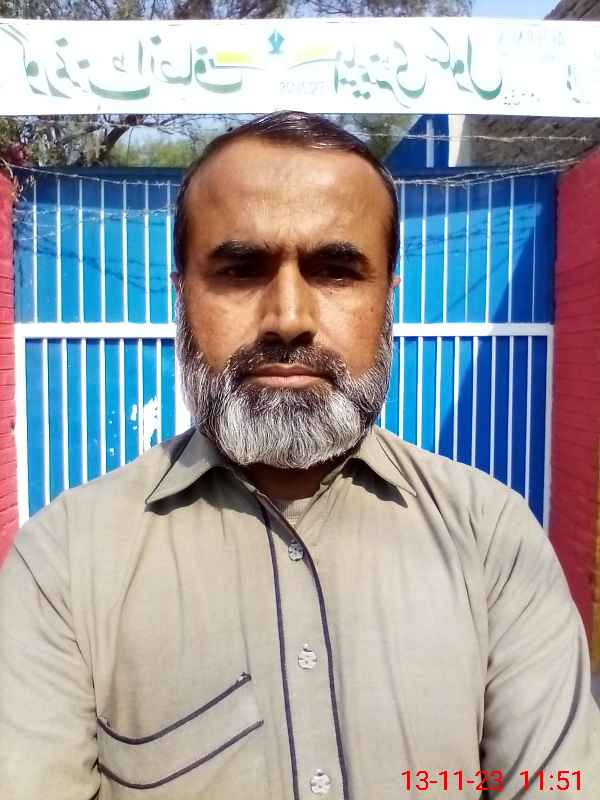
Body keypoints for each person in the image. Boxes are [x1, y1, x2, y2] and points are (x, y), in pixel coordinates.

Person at [0, 111, 598, 800]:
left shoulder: (493, 541)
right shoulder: (65, 562)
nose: (288, 318)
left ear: (387, 301)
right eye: (240, 270)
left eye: (337, 271)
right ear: (182, 297)